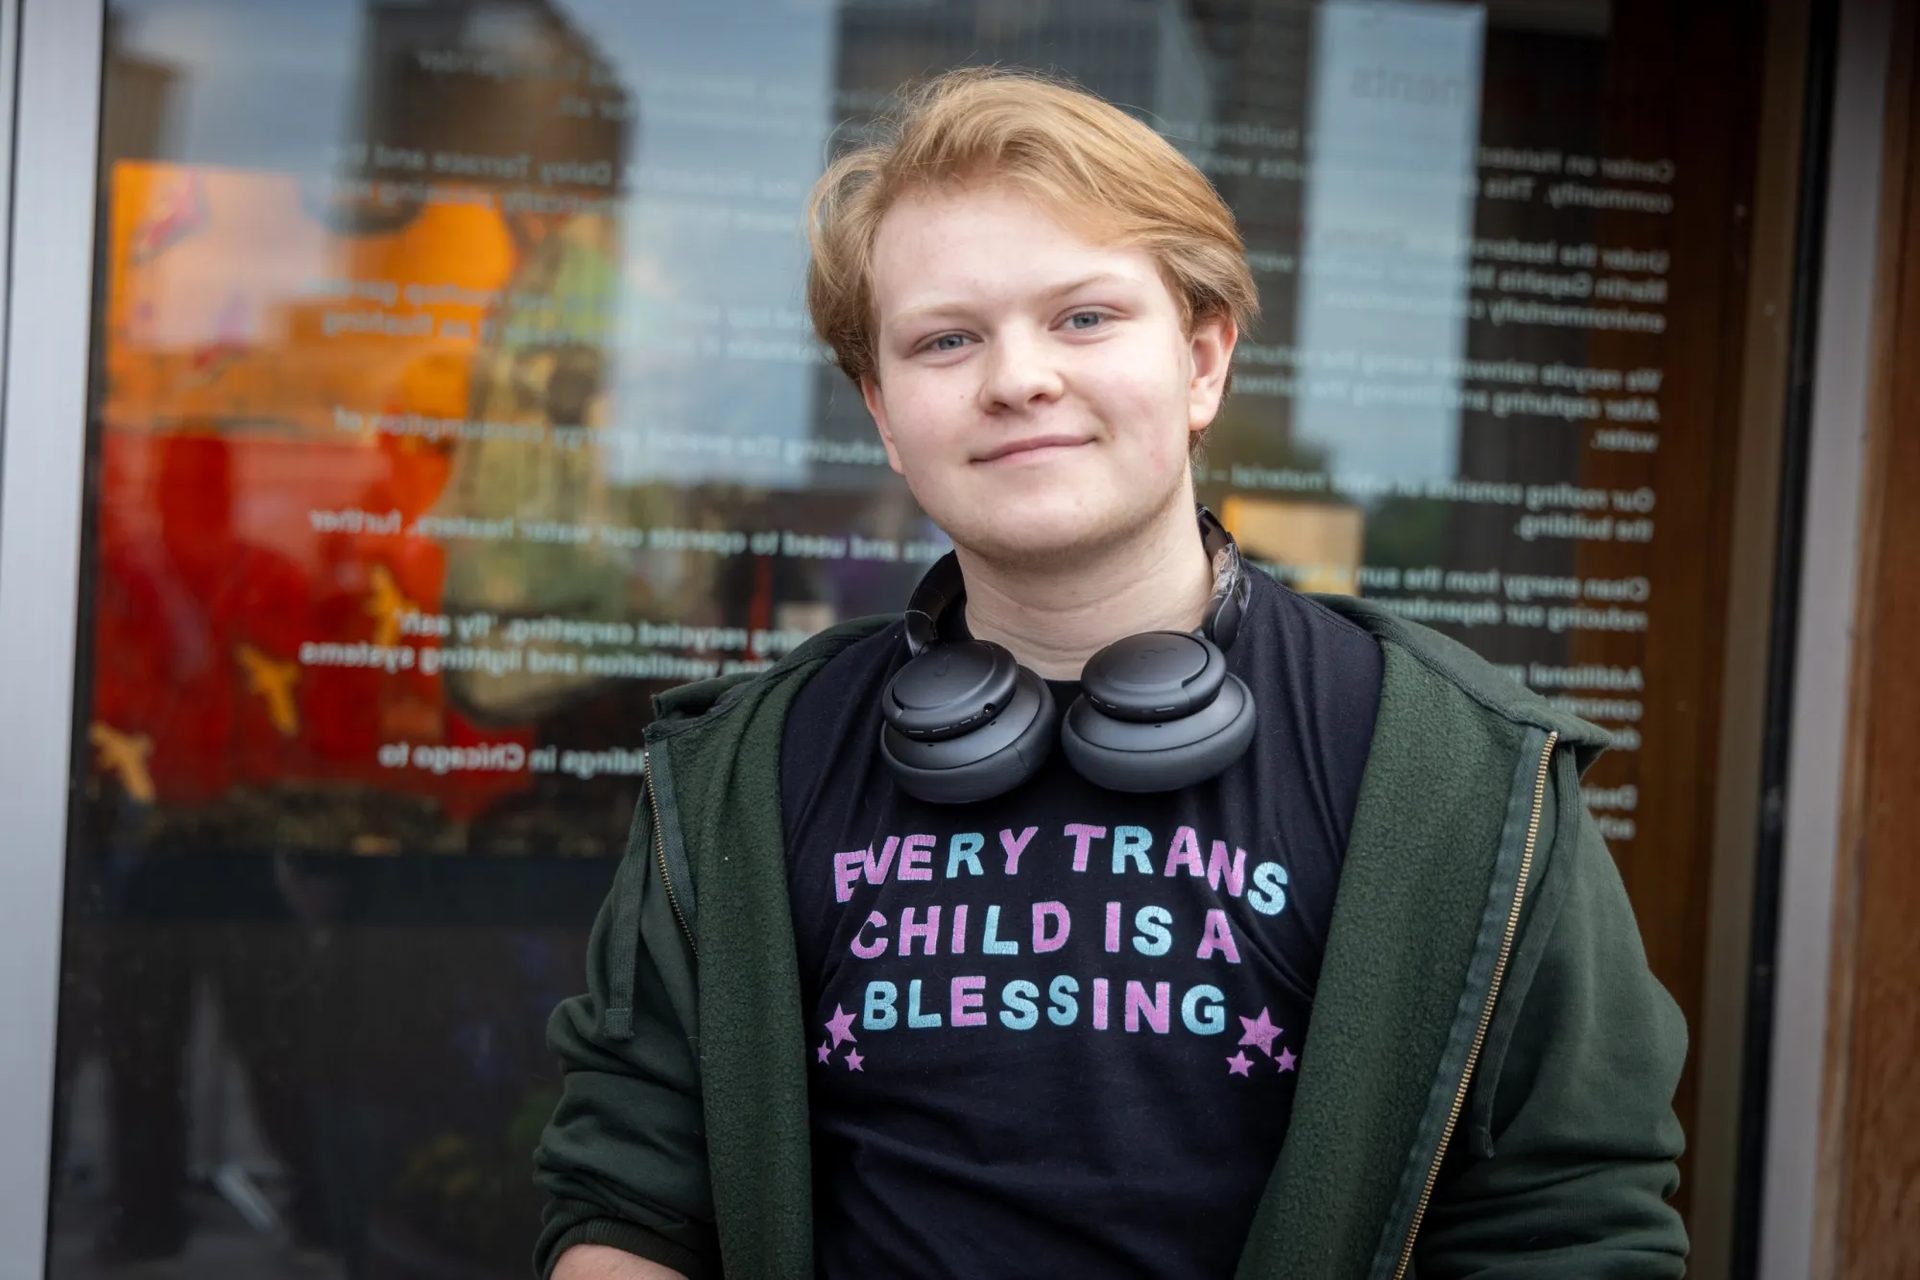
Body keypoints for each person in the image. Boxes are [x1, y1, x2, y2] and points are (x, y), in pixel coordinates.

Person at [533, 67, 1688, 1279]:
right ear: (881, 410)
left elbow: (1569, 1229)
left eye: (1084, 317)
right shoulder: (739, 776)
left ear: (1203, 361)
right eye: (946, 338)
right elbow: (631, 1196)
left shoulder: (1460, 770)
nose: (1019, 376)